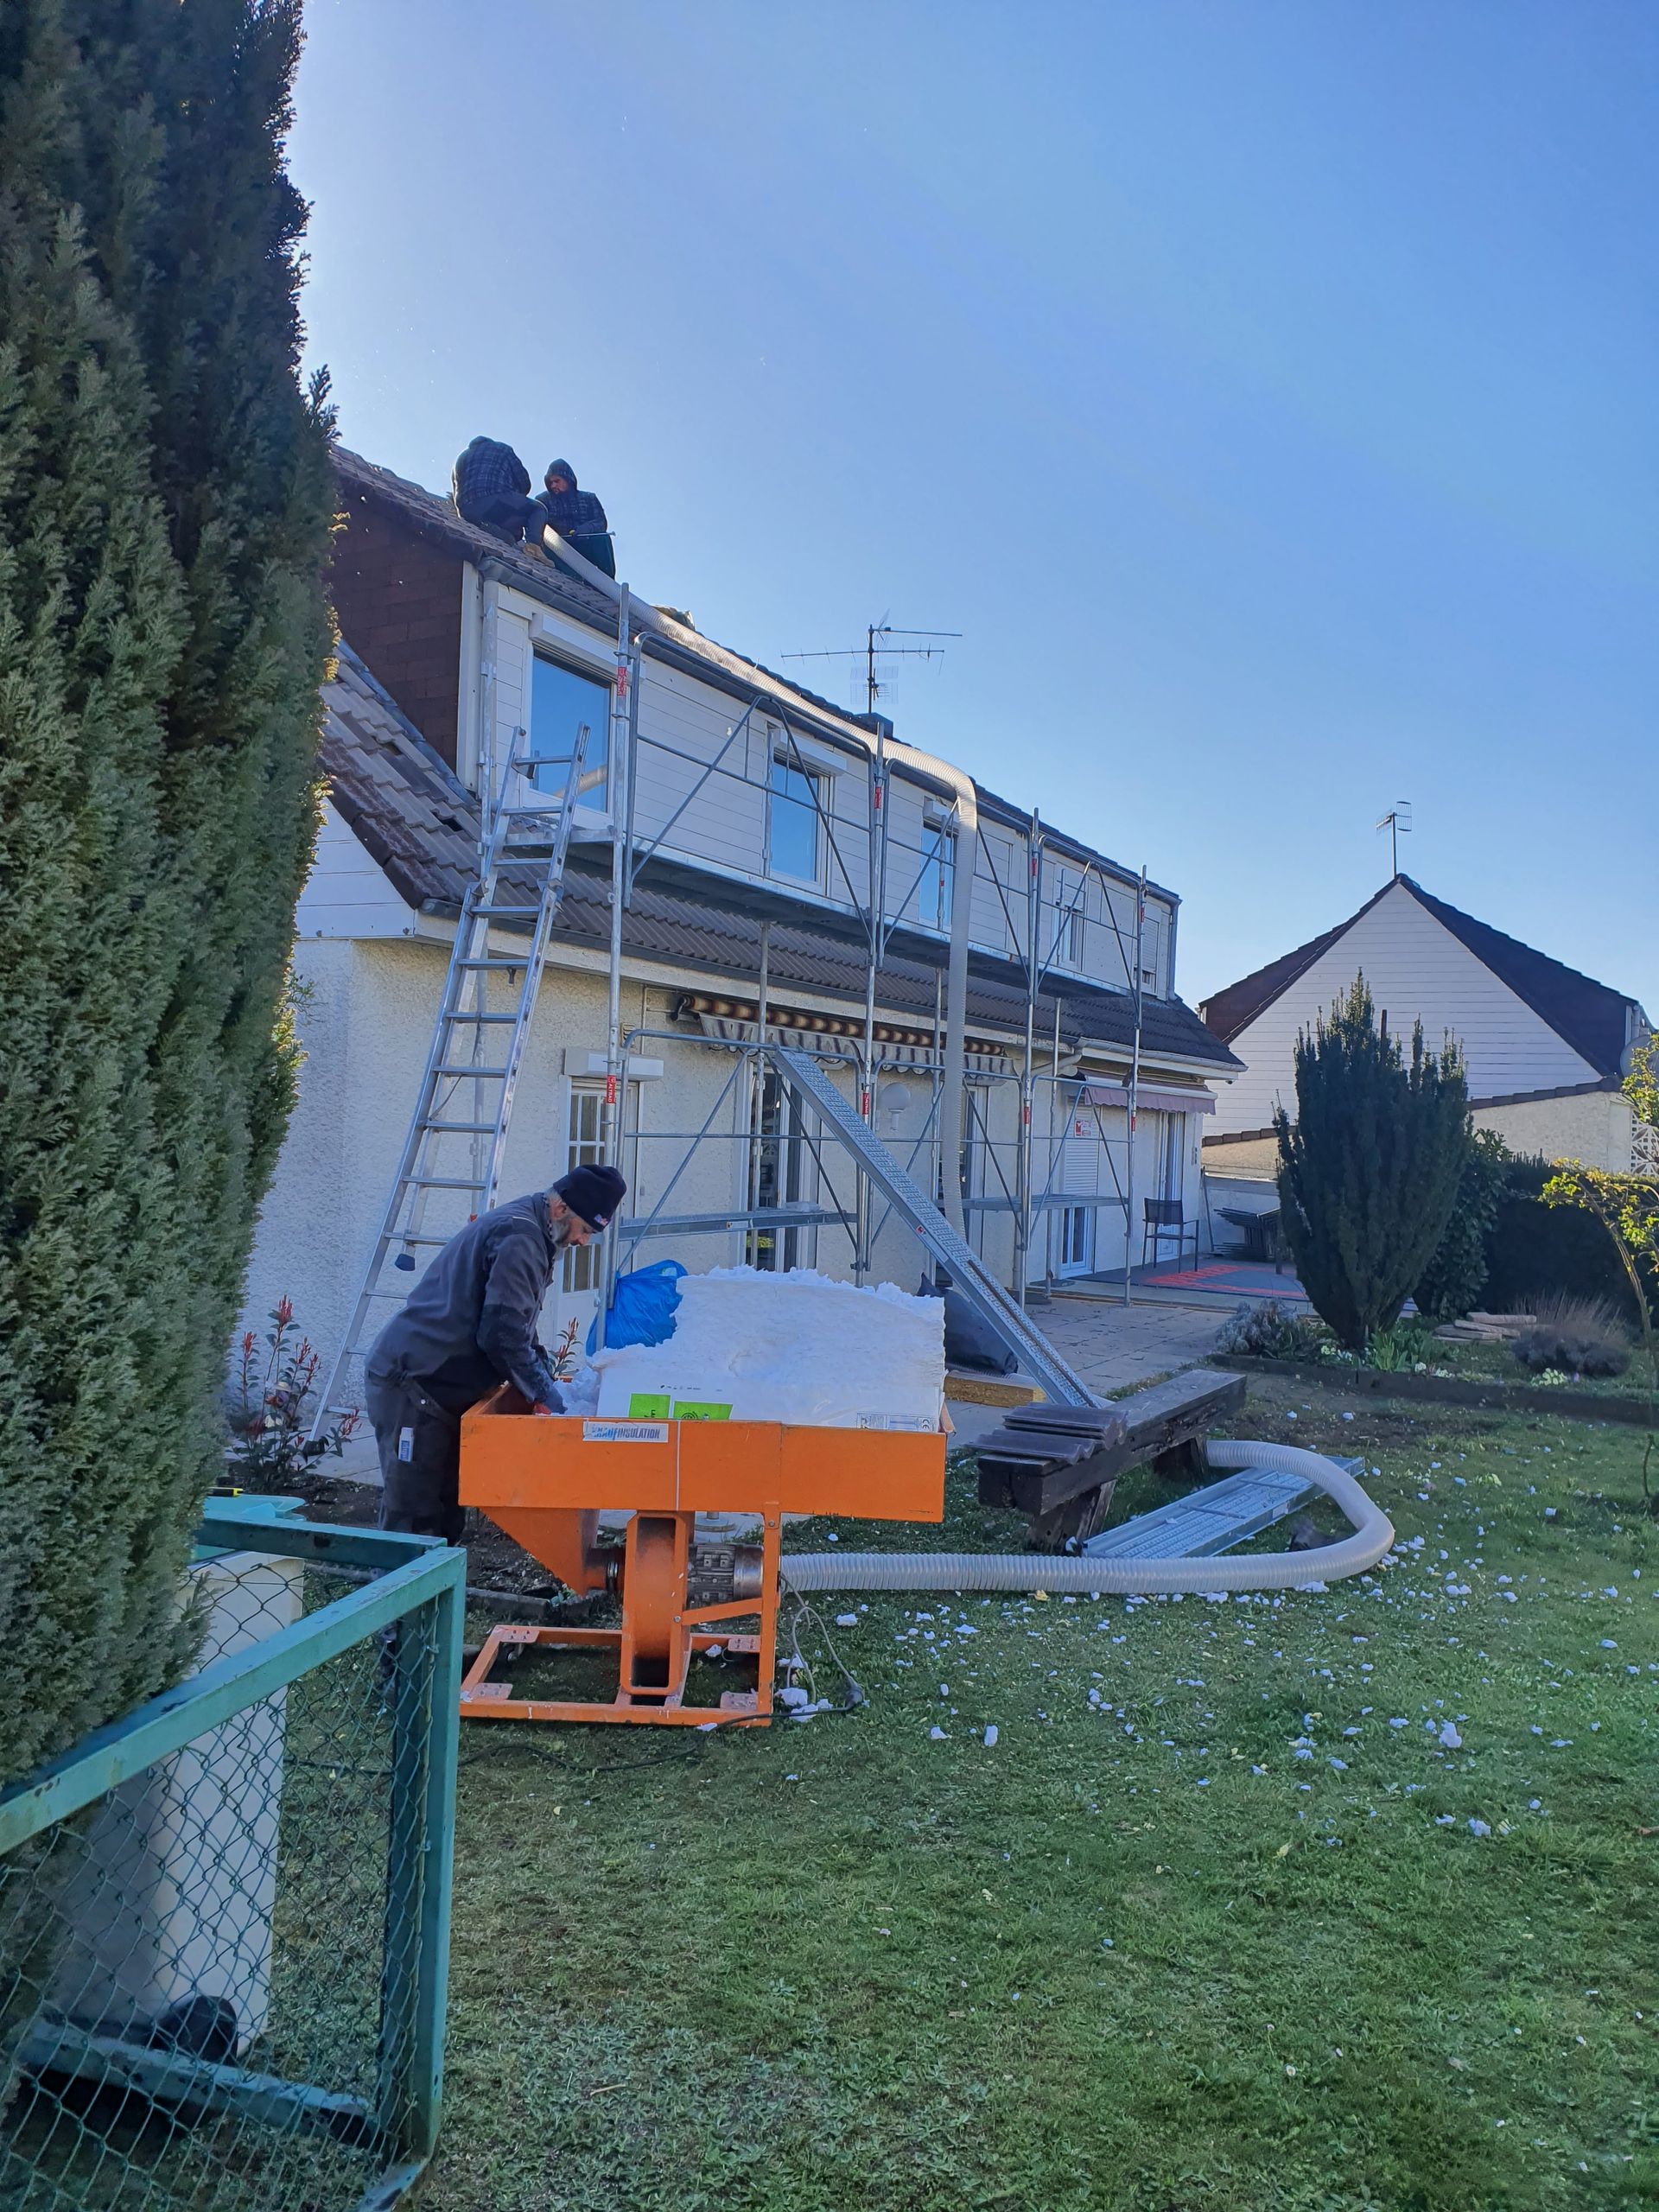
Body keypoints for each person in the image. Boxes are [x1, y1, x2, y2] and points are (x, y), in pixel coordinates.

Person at [364, 1165, 626, 1541]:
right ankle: (392, 1593)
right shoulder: (521, 1238)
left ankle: (436, 1596)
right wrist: (547, 1394)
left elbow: (515, 1318)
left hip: (435, 1384)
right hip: (414, 1382)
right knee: (413, 1518)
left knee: (445, 1512)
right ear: (560, 1210)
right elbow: (501, 1335)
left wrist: (542, 1372)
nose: (584, 1241)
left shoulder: (534, 1230)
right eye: (585, 1229)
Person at [529, 458, 616, 576]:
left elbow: (601, 522)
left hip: (584, 546)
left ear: (568, 479)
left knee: (603, 539)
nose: (553, 485)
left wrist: (586, 529)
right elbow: (535, 523)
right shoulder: (543, 501)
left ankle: (608, 583)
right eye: (550, 483)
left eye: (557, 481)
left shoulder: (589, 498)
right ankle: (573, 577)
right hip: (558, 549)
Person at [451, 435, 536, 543]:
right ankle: (534, 548)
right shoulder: (502, 448)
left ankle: (493, 530)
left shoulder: (461, 457)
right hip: (494, 500)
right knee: (536, 509)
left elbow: (455, 493)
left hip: (466, 511)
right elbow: (524, 483)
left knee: (509, 533)